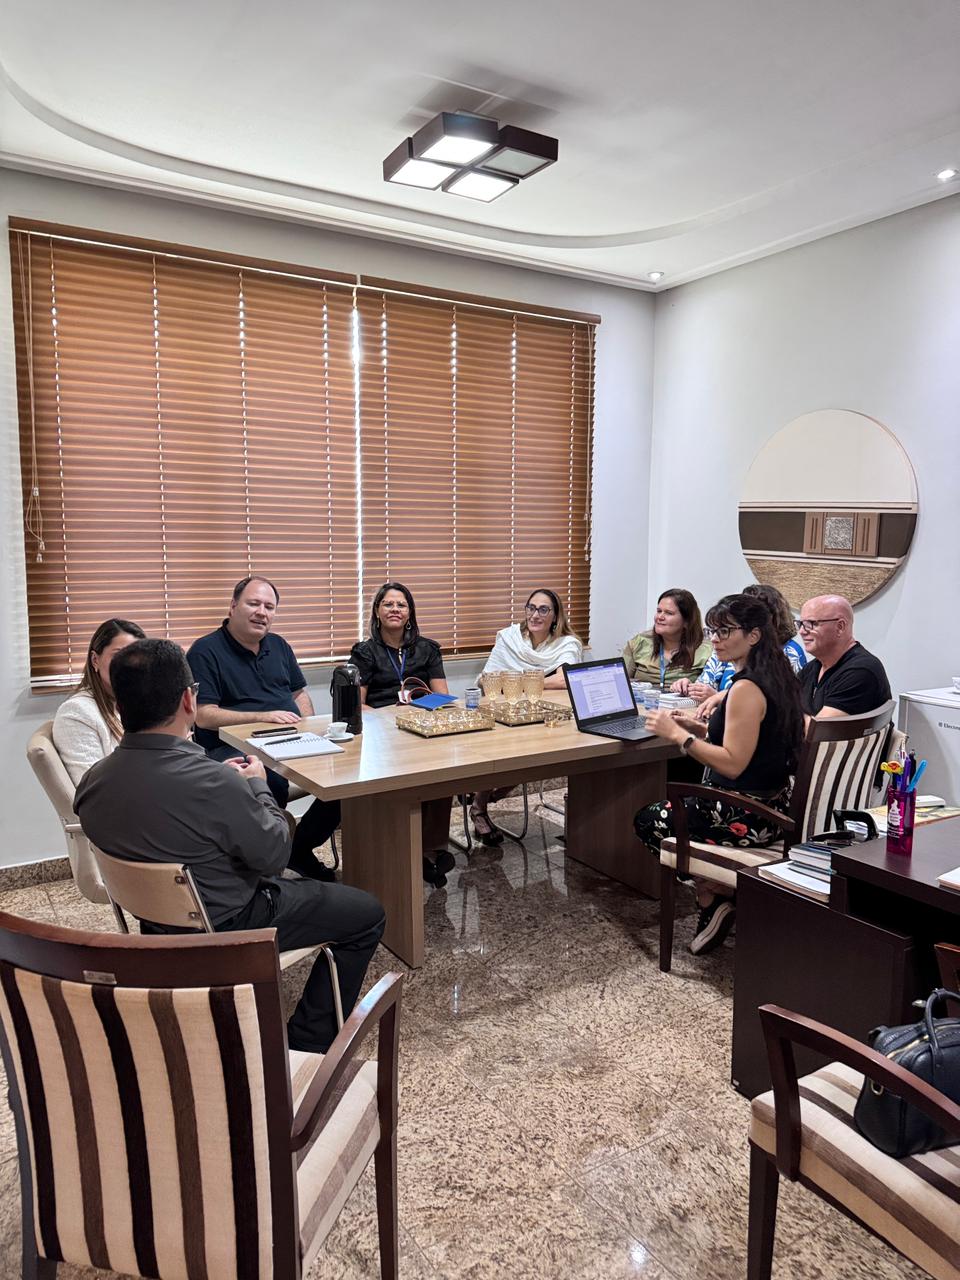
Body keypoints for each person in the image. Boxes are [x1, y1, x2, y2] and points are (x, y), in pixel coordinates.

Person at [74, 638, 385, 1054]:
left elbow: (166, 811)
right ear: (188, 700)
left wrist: (226, 789)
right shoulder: (212, 783)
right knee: (367, 914)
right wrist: (256, 785)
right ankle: (307, 1042)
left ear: (120, 703)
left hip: (154, 922)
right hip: (229, 920)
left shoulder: (94, 781)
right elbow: (275, 856)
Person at [635, 594, 804, 956]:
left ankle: (711, 891)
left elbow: (731, 763)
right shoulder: (776, 676)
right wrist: (695, 728)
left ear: (754, 635)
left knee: (648, 821)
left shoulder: (745, 689)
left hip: (745, 813)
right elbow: (748, 744)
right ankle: (717, 893)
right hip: (774, 803)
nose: (715, 639)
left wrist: (678, 736)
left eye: (725, 631)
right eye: (714, 631)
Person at [186, 575, 340, 881]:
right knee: (270, 780)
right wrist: (263, 716)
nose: (262, 612)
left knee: (346, 775)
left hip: (290, 739)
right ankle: (266, 868)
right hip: (231, 748)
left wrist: (307, 726)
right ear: (233, 606)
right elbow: (203, 715)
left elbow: (298, 694)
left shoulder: (279, 646)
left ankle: (298, 849)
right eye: (253, 603)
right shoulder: (205, 651)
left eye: (269, 607)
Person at [349, 583, 454, 885]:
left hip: (421, 726)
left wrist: (417, 716)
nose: (395, 609)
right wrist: (392, 717)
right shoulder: (364, 652)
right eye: (388, 604)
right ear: (377, 612)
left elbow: (442, 696)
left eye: (401, 604)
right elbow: (358, 704)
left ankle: (432, 848)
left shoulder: (428, 649)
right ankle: (406, 849)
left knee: (444, 768)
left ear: (410, 613)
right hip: (381, 734)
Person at [472, 589, 583, 844]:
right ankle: (480, 804)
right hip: (505, 710)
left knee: (533, 753)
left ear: (555, 616)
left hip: (549, 717)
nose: (535, 615)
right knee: (499, 748)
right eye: (531, 608)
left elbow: (566, 678)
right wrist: (532, 683)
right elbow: (489, 678)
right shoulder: (511, 638)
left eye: (543, 610)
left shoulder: (567, 643)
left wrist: (519, 683)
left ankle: (490, 793)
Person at [53, 618, 146, 785]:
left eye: (137, 656)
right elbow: (93, 787)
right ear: (95, 660)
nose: (130, 665)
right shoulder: (77, 712)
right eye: (119, 655)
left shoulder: (138, 702)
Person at [678, 582, 807, 702]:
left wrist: (720, 697)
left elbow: (771, 700)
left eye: (723, 630)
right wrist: (689, 687)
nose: (714, 639)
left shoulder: (788, 653)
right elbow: (704, 684)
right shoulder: (727, 646)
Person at [796, 594, 891, 717]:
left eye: (811, 624)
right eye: (801, 624)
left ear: (840, 627)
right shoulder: (811, 668)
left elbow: (818, 731)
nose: (802, 631)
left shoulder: (861, 671)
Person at [622, 589, 712, 689]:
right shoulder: (639, 643)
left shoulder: (708, 651)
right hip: (644, 702)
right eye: (659, 611)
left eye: (669, 613)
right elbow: (620, 683)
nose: (660, 617)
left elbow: (712, 689)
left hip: (686, 703)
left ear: (687, 621)